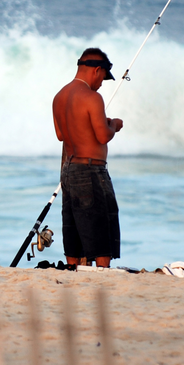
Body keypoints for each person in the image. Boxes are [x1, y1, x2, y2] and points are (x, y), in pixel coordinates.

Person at [52, 48, 123, 268]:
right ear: (97, 70)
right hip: (90, 169)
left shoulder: (59, 96)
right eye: (103, 77)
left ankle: (74, 268)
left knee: (73, 224)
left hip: (68, 169)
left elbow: (61, 135)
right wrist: (114, 125)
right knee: (100, 226)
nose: (102, 83)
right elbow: (103, 136)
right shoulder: (92, 97)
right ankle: (102, 271)